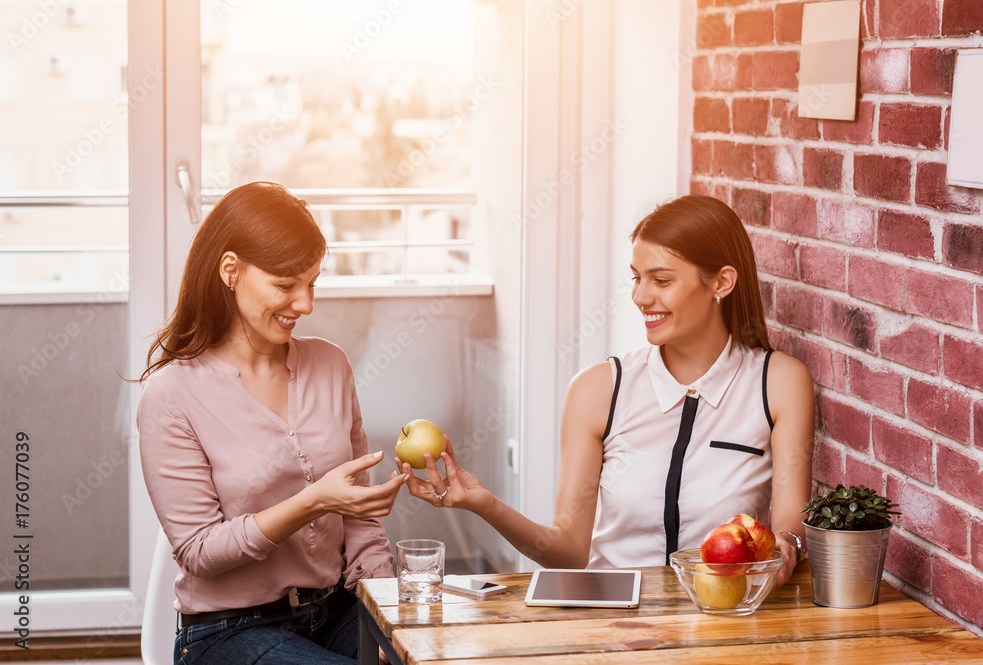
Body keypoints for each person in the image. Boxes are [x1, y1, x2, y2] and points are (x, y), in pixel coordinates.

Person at [399, 194, 814, 587]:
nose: (640, 296)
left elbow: (788, 532)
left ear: (721, 282)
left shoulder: (779, 383)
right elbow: (568, 551)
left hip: (722, 621)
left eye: (661, 280)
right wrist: (484, 503)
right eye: (637, 278)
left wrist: (788, 548)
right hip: (615, 626)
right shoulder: (598, 390)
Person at [137, 182, 407, 665]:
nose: (304, 304)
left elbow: (361, 521)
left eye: (312, 283)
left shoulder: (331, 365)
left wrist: (388, 621)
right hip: (227, 632)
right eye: (285, 285)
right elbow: (199, 551)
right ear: (231, 270)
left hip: (335, 609)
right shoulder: (171, 394)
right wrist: (314, 501)